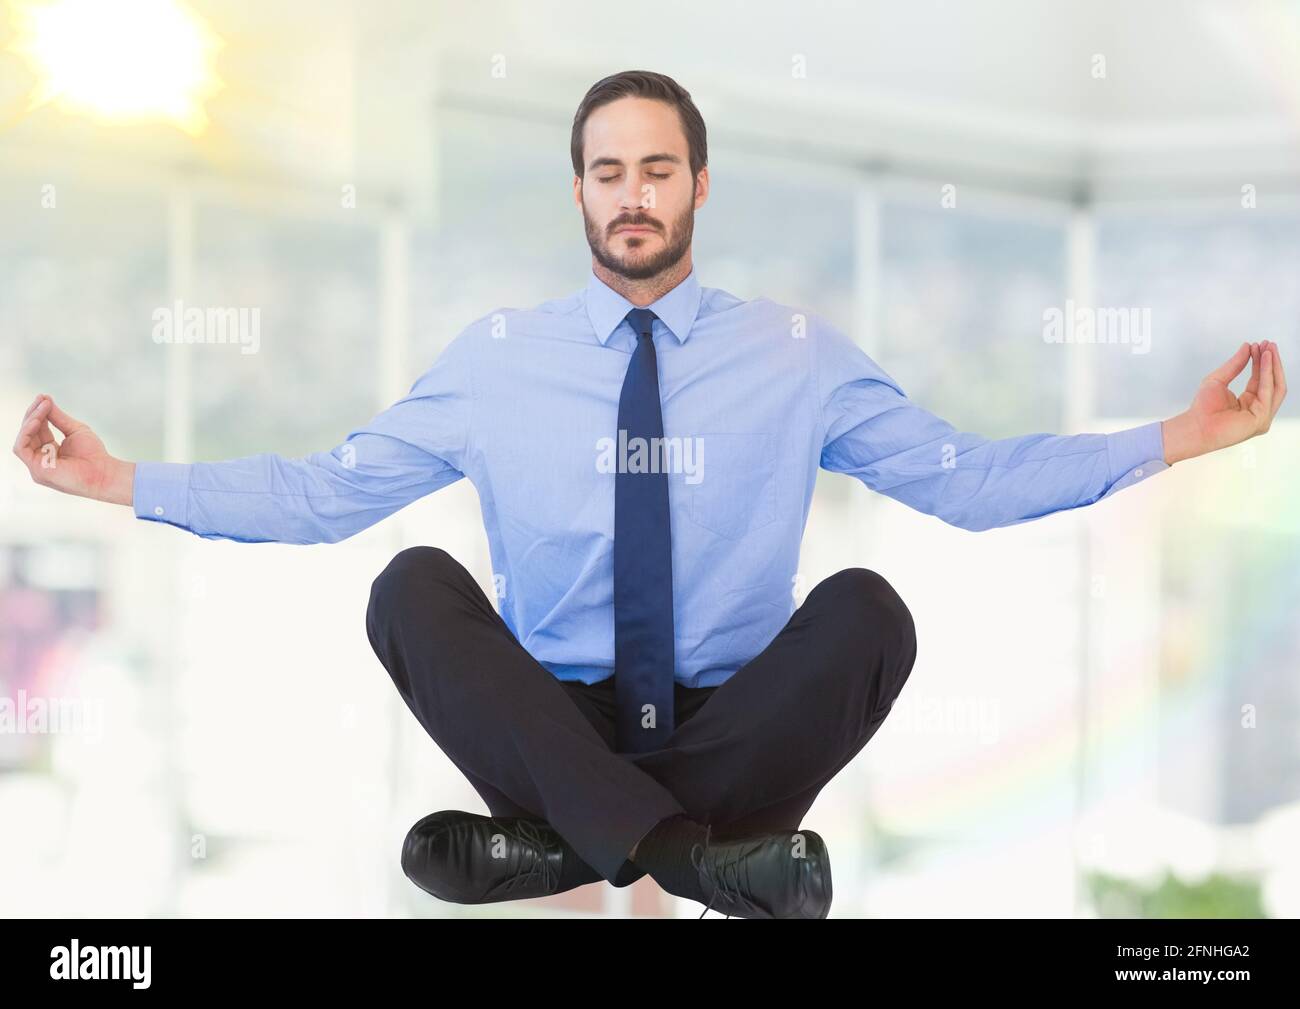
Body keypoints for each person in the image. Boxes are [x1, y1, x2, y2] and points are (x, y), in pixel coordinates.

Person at [12, 70, 1287, 920]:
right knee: (408, 586)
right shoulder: (495, 363)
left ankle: (579, 843)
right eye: (608, 170)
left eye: (658, 169)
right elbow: (320, 493)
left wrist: (1176, 435)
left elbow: (965, 480)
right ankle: (680, 853)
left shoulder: (796, 356)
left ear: (699, 187)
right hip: (552, 723)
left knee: (870, 606)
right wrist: (120, 478)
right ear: (578, 190)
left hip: (733, 731)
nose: (633, 193)